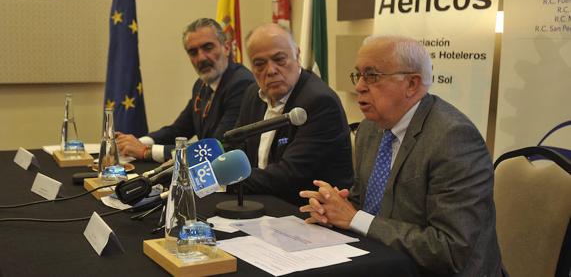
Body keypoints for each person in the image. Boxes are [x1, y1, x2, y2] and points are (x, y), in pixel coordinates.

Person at [299, 35, 504, 276]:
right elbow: (363, 205)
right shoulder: (370, 129)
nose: (359, 86)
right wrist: (333, 208)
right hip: (382, 262)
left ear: (412, 85)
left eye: (372, 76)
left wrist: (354, 218)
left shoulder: (453, 139)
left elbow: (450, 248)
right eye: (359, 75)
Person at [232, 23, 353, 205]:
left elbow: (288, 176)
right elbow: (236, 147)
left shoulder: (319, 102)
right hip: (260, 204)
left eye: (279, 59)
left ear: (297, 55)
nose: (271, 70)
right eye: (259, 64)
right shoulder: (252, 94)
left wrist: (225, 181)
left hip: (306, 214)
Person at [116, 18, 254, 162]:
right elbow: (179, 130)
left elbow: (215, 147)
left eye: (208, 48)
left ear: (226, 48)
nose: (201, 58)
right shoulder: (201, 85)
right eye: (193, 52)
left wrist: (146, 151)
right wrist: (137, 142)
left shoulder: (241, 84)